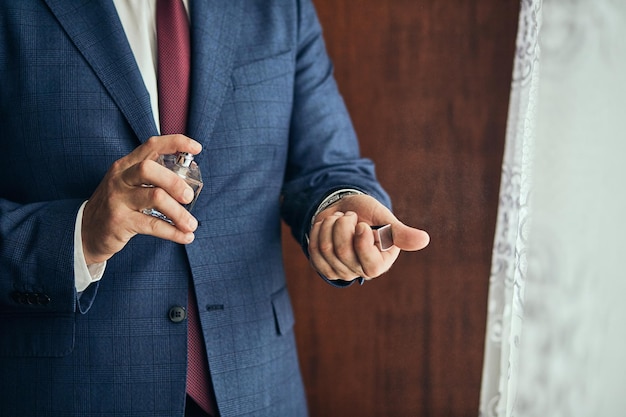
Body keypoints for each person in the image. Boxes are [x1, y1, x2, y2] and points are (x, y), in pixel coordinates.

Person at [0, 1, 429, 416]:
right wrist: (78, 235)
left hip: (258, 386)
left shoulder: (283, 6)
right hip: (73, 390)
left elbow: (327, 165)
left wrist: (339, 210)